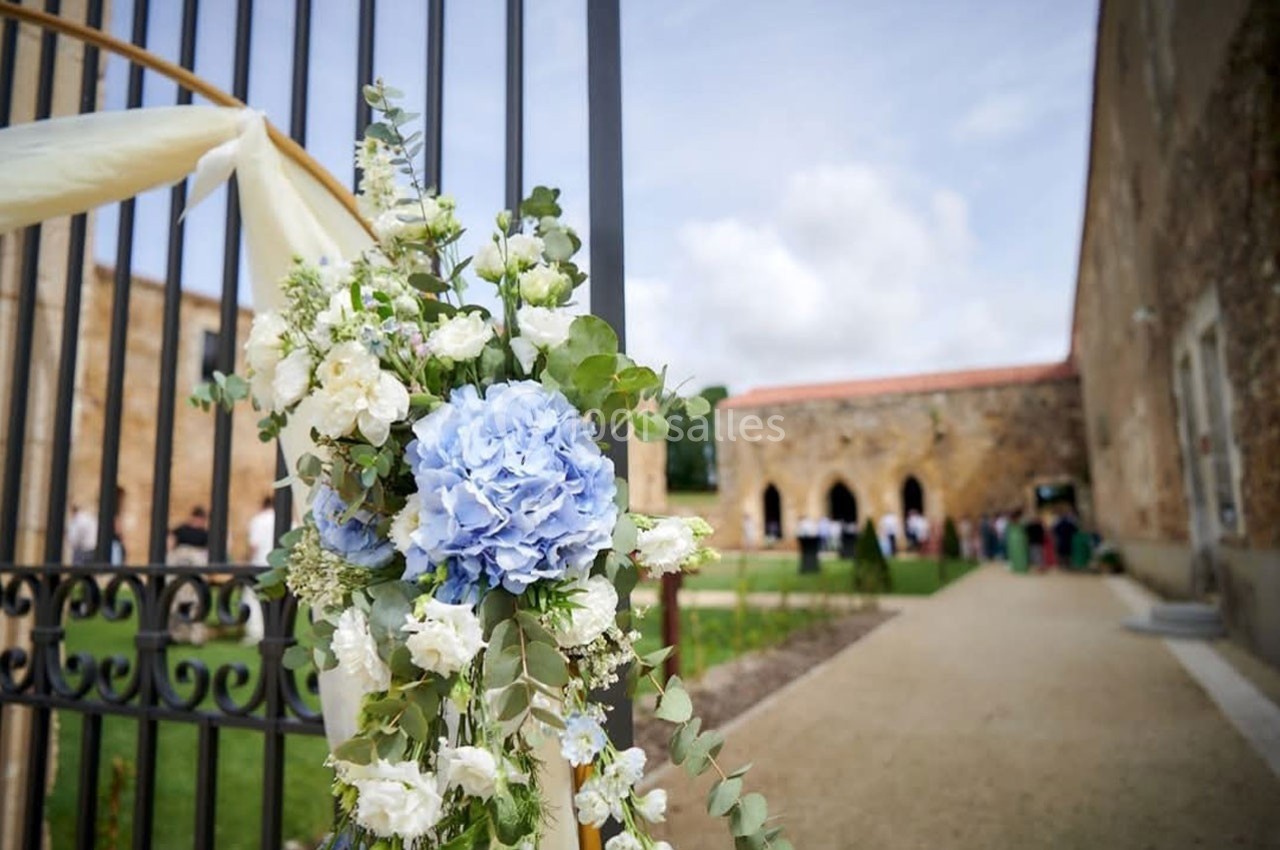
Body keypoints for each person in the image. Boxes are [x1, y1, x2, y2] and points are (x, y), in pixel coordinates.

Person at [244, 496, 275, 646]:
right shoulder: (290, 521)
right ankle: (275, 631)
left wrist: (246, 561)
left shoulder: (258, 520)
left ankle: (255, 632)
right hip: (280, 567)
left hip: (259, 563)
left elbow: (253, 546)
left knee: (254, 599)